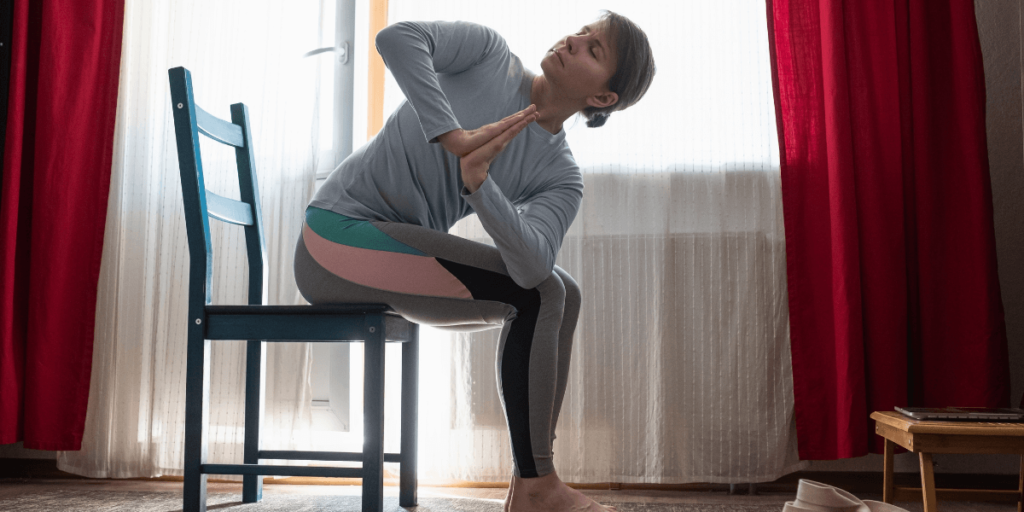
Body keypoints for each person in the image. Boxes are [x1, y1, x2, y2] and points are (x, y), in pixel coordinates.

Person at [293, 10, 655, 512]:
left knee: (560, 291)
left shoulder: (559, 174)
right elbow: (396, 38)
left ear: (602, 98)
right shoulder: (489, 54)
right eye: (584, 32)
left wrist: (480, 186)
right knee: (545, 292)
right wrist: (452, 135)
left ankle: (528, 484)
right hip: (332, 241)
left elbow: (533, 266)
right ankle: (539, 485)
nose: (575, 40)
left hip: (390, 250)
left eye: (595, 50)